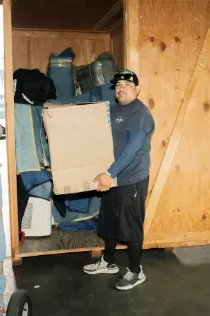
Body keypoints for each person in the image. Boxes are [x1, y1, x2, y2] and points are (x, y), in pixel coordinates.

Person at [83, 69, 155, 291]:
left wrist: (110, 173)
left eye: (127, 84)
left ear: (137, 89)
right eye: (118, 85)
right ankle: (109, 261)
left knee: (131, 226)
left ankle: (135, 271)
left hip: (131, 178)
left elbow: (132, 149)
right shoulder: (113, 110)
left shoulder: (140, 114)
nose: (121, 88)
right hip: (113, 177)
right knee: (110, 221)